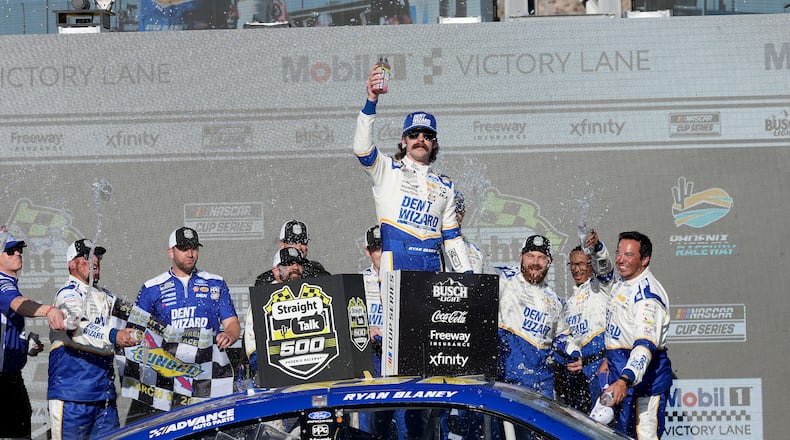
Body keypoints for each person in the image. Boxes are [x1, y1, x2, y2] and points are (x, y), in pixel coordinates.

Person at [352, 64, 473, 273]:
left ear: (434, 143)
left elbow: (452, 238)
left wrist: (468, 276)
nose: (420, 139)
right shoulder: (388, 169)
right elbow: (362, 149)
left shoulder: (445, 186)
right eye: (414, 134)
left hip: (433, 266)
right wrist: (371, 101)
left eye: (427, 135)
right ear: (403, 140)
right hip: (397, 263)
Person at [127, 226, 240, 424]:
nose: (190, 253)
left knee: (209, 429)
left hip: (207, 374)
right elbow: (135, 331)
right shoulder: (152, 287)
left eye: (194, 248)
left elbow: (232, 323)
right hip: (168, 377)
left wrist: (229, 334)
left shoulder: (215, 282)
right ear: (171, 252)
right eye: (184, 248)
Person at [48, 239, 140, 439]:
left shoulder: (106, 296)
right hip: (72, 398)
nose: (95, 260)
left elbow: (138, 315)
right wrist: (115, 335)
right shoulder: (68, 294)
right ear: (71, 264)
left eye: (97, 255)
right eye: (87, 256)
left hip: (104, 398)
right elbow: (76, 327)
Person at [601, 231, 672, 439]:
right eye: (618, 253)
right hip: (621, 381)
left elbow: (643, 348)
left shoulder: (648, 299)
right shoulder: (623, 282)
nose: (620, 259)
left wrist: (625, 379)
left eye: (629, 255)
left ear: (645, 259)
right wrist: (608, 359)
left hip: (644, 389)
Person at [0, 230, 67, 439]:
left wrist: (25, 346)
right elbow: (18, 304)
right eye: (10, 250)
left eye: (19, 249)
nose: (18, 253)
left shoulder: (9, 282)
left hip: (10, 376)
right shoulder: (1, 282)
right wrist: (49, 310)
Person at [553, 229, 614, 413]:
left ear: (590, 264)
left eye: (580, 263)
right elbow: (562, 336)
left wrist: (597, 248)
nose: (575, 269)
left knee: (606, 422)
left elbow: (605, 267)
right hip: (581, 373)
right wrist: (571, 353)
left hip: (604, 366)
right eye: (572, 264)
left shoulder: (602, 286)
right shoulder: (569, 303)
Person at [496, 234, 564, 398]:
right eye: (530, 256)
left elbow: (562, 335)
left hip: (543, 384)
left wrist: (573, 352)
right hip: (508, 381)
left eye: (541, 257)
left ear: (549, 262)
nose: (535, 262)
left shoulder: (554, 299)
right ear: (521, 257)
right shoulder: (504, 280)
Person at [245, 247, 306, 375]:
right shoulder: (264, 298)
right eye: (289, 263)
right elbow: (253, 345)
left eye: (299, 263)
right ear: (275, 270)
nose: (296, 267)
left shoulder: (311, 292)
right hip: (274, 369)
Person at [254, 220, 329, 285]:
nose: (298, 247)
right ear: (282, 244)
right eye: (293, 242)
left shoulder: (320, 276)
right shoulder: (265, 281)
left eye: (303, 242)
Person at [361, 225, 384, 374]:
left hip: (400, 346)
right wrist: (366, 330)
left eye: (384, 248)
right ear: (367, 251)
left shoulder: (404, 277)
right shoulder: (360, 280)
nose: (381, 254)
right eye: (376, 249)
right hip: (374, 348)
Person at [448, 190, 484, 273]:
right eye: (451, 212)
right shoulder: (431, 248)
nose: (455, 216)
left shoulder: (474, 251)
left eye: (458, 211)